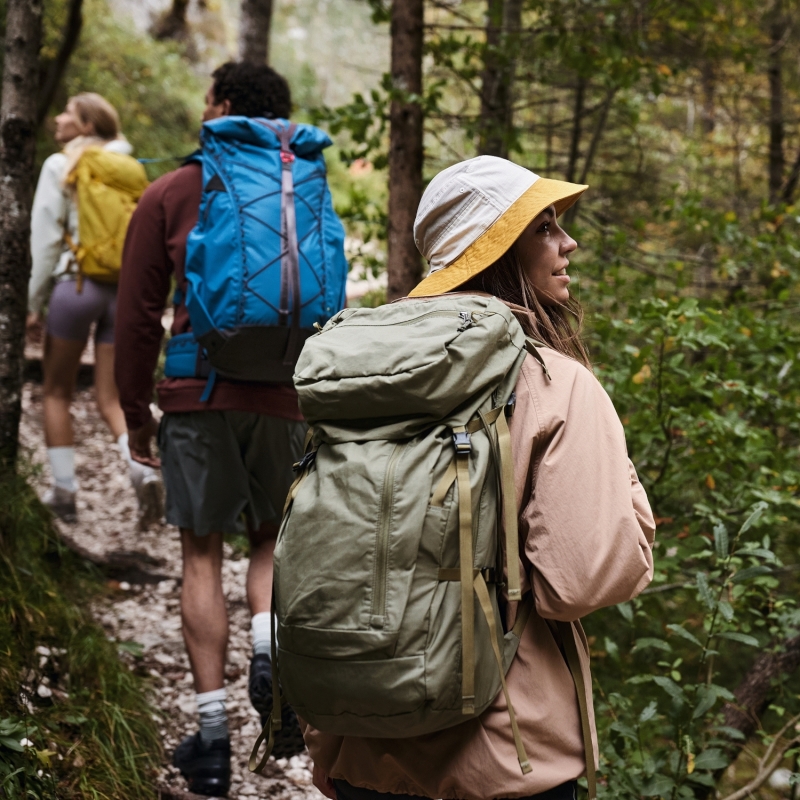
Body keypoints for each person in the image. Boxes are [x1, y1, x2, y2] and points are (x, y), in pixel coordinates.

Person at [304, 156, 657, 800]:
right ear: (497, 251)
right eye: (544, 227)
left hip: (361, 743)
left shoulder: (358, 373)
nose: (567, 241)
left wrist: (324, 740)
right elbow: (583, 578)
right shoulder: (554, 381)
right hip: (507, 760)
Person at [114, 62, 321, 797]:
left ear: (225, 107)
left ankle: (210, 742)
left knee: (201, 554)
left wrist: (136, 415)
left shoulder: (172, 190)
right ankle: (269, 651)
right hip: (285, 397)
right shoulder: (302, 189)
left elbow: (136, 318)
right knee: (269, 539)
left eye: (209, 99)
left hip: (196, 394)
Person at [27, 92, 163, 526]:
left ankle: (64, 492)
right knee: (113, 397)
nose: (59, 119)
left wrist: (32, 302)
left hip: (76, 286)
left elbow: (45, 239)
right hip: (120, 290)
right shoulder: (129, 167)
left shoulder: (59, 165)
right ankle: (140, 468)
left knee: (55, 391)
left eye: (68, 112)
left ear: (86, 126)